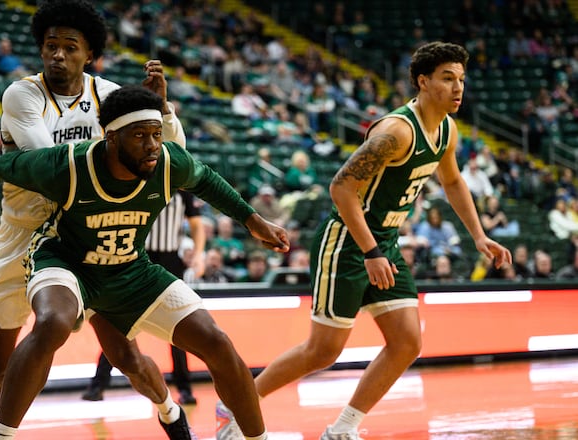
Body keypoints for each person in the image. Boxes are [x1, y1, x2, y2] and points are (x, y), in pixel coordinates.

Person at [215, 41, 512, 440]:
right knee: (323, 351)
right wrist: (370, 251)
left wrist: (479, 235)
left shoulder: (447, 129)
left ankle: (343, 428)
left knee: (407, 342)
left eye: (461, 79)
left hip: (384, 241)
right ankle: (237, 408)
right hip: (348, 241)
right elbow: (341, 188)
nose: (458, 87)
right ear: (423, 82)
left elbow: (453, 181)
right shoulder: (395, 132)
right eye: (447, 78)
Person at [0, 85, 289, 440]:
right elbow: (10, 166)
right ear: (111, 137)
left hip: (129, 268)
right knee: (53, 323)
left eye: (155, 133)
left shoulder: (168, 160)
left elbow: (208, 183)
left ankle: (226, 429)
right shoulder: (70, 163)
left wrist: (253, 221)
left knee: (214, 342)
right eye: (139, 135)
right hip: (67, 263)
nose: (152, 144)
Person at [0, 2, 188, 439]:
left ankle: (170, 412)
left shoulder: (107, 95)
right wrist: (116, 152)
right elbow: (50, 165)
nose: (57, 55)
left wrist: (160, 110)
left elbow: (172, 153)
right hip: (22, 236)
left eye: (69, 47)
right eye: (50, 46)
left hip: (85, 238)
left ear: (89, 54)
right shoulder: (22, 94)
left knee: (125, 354)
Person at [82, 190, 206, 405]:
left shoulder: (181, 188)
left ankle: (185, 388)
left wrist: (198, 253)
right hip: (137, 259)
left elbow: (196, 224)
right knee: (119, 322)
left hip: (169, 261)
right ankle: (98, 384)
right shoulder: (138, 182)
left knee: (178, 325)